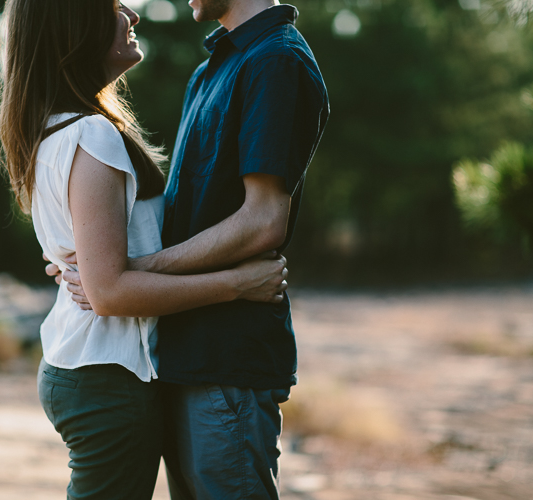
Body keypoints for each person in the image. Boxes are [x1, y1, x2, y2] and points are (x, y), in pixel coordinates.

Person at [0, 1, 289, 499]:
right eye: (112, 5)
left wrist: (102, 269)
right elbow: (109, 292)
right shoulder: (90, 134)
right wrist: (238, 284)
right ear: (75, 28)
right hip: (107, 373)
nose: (131, 11)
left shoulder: (59, 127)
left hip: (88, 366)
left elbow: (102, 269)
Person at [53, 0, 330, 498]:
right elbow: (178, 215)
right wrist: (86, 255)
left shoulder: (275, 60)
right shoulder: (211, 70)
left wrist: (126, 272)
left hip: (228, 360)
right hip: (182, 356)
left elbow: (263, 221)